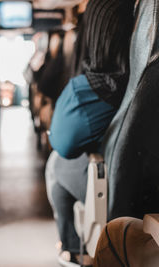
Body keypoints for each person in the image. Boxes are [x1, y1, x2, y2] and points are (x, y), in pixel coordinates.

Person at [45, 0, 135, 266]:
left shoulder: (104, 83)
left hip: (117, 171)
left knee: (55, 168)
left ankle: (72, 248)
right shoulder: (138, 67)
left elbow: (63, 140)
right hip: (124, 154)